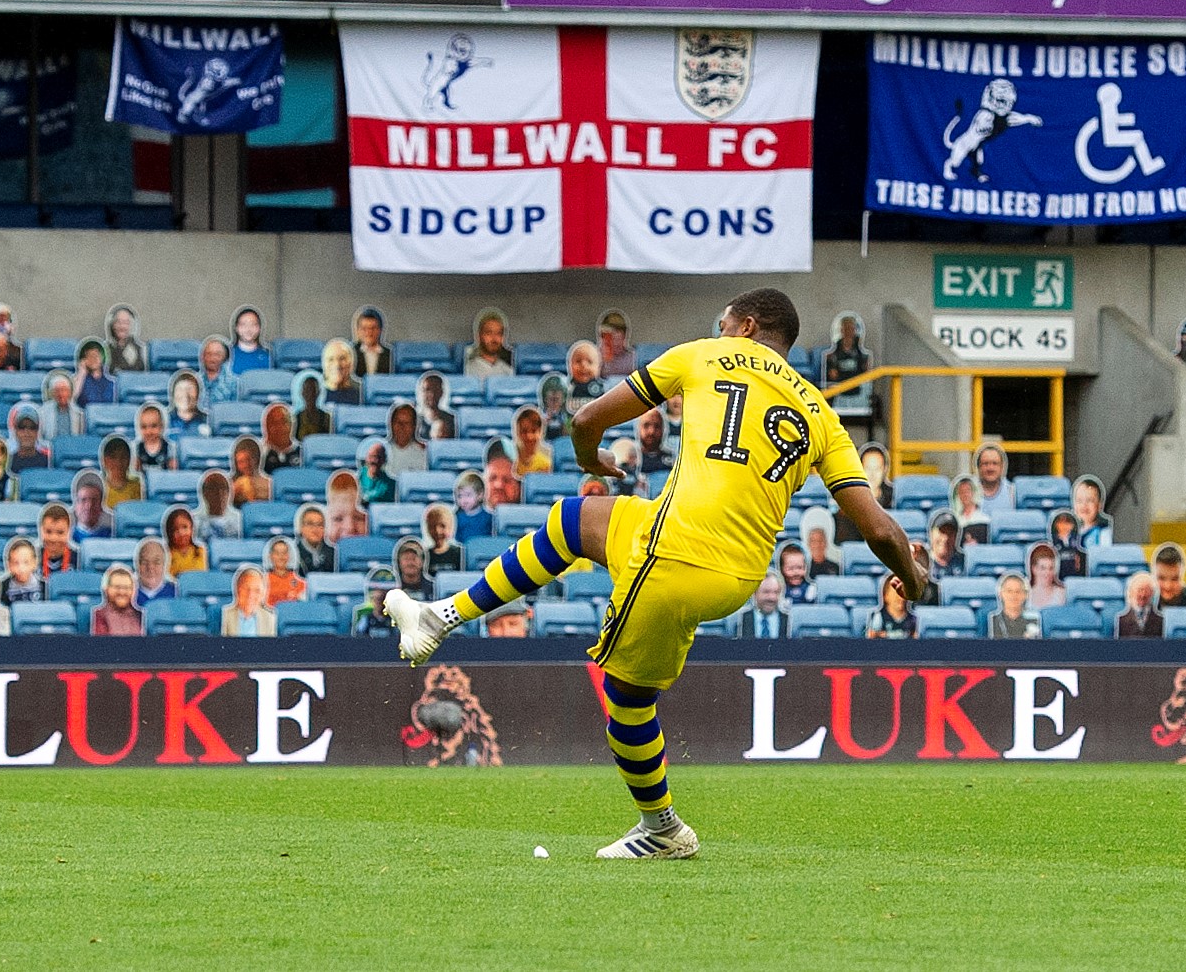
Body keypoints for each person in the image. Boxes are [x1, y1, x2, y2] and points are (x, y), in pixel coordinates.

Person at [386, 286, 924, 862]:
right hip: (739, 574)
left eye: (723, 323)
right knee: (575, 520)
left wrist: (591, 457)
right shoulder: (821, 412)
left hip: (675, 553)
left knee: (625, 696)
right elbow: (880, 531)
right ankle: (438, 615)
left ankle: (661, 827)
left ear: (744, 326)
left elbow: (588, 417)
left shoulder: (703, 355)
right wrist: (913, 580)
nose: (718, 330)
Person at [730, 572, 790, 639]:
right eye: (766, 592)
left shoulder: (788, 621)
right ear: (755, 593)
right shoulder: (741, 619)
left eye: (776, 592)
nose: (771, 597)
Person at [221, 564, 275, 637]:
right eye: (246, 589)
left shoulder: (269, 618)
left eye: (257, 591)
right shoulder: (225, 615)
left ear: (263, 594)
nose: (250, 595)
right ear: (237, 589)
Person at [91, 564, 145, 635]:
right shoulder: (98, 616)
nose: (121, 592)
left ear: (133, 590)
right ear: (106, 589)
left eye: (126, 587)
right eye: (116, 587)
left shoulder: (141, 616)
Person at [350, 565, 401, 636]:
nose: (379, 603)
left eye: (382, 600)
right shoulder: (365, 618)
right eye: (377, 600)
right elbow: (358, 639)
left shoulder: (395, 620)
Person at [863, 574, 917, 639]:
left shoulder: (913, 620)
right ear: (885, 596)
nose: (900, 598)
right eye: (895, 594)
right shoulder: (878, 617)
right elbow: (870, 640)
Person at [986, 573, 1039, 639]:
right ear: (1000, 594)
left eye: (1018, 591)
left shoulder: (1034, 621)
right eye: (1009, 591)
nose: (1013, 596)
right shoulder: (991, 620)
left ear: (1025, 595)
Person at [463, 308, 513, 378]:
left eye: (499, 333)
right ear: (479, 336)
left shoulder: (509, 372)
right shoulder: (467, 370)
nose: (494, 338)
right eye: (489, 333)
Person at [381, 402, 426, 477]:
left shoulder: (424, 453)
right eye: (398, 422)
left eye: (407, 423)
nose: (402, 427)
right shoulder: (379, 451)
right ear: (391, 424)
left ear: (414, 426)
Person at [1116, 572, 1165, 638]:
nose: (1143, 595)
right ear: (1131, 592)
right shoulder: (1122, 620)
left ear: (1152, 593)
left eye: (1146, 590)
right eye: (1140, 590)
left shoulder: (1160, 620)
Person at [162, 504, 208, 575]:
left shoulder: (200, 551)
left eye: (185, 527)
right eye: (175, 529)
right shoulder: (166, 553)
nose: (181, 533)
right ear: (169, 533)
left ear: (192, 528)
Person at [132, 537, 177, 608]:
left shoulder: (177, 593)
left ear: (165, 564)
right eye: (144, 562)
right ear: (137, 565)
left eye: (157, 562)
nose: (150, 567)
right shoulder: (127, 592)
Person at [132, 403, 176, 474]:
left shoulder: (169, 447)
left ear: (162, 426)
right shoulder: (137, 448)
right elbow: (135, 471)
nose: (149, 431)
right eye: (144, 427)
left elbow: (173, 471)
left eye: (154, 426)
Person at [41, 370, 86, 438]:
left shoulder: (79, 413)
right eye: (57, 391)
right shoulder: (43, 412)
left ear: (70, 392)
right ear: (52, 393)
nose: (61, 394)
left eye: (64, 390)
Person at [973, 442, 1015, 514]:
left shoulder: (1012, 492)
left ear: (1002, 467)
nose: (990, 468)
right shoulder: (969, 489)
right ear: (979, 467)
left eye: (995, 463)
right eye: (985, 464)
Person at [99, 436, 142, 506]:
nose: (118, 462)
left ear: (129, 460)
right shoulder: (99, 488)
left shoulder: (137, 486)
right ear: (104, 460)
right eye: (113, 457)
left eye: (123, 457)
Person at [228, 307, 272, 374]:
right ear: (236, 328)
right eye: (243, 324)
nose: (248, 329)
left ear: (259, 328)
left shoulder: (269, 357)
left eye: (253, 324)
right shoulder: (226, 355)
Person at [293, 502, 333, 575]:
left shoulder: (333, 553)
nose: (315, 529)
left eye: (320, 524)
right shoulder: (292, 552)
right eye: (310, 524)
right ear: (301, 527)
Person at [0, 536, 44, 604]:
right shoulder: (2, 587)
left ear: (35, 563)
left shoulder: (44, 587)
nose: (21, 568)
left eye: (26, 562)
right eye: (15, 563)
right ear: (9, 565)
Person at [452, 470, 494, 540]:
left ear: (480, 495)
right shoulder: (456, 517)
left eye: (468, 495)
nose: (463, 500)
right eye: (460, 496)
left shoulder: (489, 518)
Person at [195, 336, 238, 404]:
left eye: (217, 355)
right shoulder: (194, 380)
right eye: (208, 354)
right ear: (202, 357)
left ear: (225, 357)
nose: (212, 359)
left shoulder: (234, 383)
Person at [9, 406, 53, 472]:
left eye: (32, 427)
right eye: (22, 427)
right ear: (16, 431)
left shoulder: (48, 462)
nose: (27, 432)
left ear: (37, 431)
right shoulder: (8, 462)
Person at [264, 536, 307, 603]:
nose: (281, 557)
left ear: (289, 555)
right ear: (270, 556)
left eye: (284, 553)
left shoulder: (301, 583)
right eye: (277, 553)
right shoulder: (263, 582)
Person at [69, 473, 111, 543]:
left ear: (101, 507)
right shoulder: (68, 536)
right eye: (83, 500)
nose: (89, 506)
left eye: (94, 500)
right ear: (76, 506)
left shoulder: (111, 535)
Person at [350, 306, 391, 378]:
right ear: (358, 330)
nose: (369, 332)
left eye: (373, 328)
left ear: (380, 330)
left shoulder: (390, 354)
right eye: (364, 328)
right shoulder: (350, 352)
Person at [511, 406, 553, 475]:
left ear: (541, 432)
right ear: (517, 432)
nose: (529, 436)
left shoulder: (545, 464)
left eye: (533, 431)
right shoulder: (511, 459)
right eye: (524, 431)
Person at [422, 503, 463, 572]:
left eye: (442, 526)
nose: (437, 531)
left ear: (451, 527)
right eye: (432, 526)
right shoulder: (424, 554)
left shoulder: (459, 553)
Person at [595, 309, 636, 378]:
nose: (614, 344)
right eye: (609, 338)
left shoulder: (633, 358)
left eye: (617, 339)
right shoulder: (594, 357)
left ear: (625, 336)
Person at [166, 370, 208, 438]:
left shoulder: (208, 421)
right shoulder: (164, 421)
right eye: (180, 389)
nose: (185, 394)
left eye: (190, 389)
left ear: (198, 394)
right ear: (173, 394)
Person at [106, 304, 147, 373]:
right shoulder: (106, 349)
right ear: (113, 325)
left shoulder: (140, 349)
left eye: (126, 323)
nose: (122, 327)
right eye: (118, 322)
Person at [320, 339, 362, 406]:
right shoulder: (312, 395)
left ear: (351, 363)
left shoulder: (361, 397)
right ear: (323, 364)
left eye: (342, 358)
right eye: (331, 359)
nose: (337, 365)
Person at [260, 403, 300, 472]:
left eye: (285, 422)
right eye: (274, 423)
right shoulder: (259, 451)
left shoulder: (301, 451)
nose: (281, 428)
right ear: (266, 426)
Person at [416, 372, 456, 441]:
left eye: (436, 390)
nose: (432, 395)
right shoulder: (414, 420)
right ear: (421, 392)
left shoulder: (452, 420)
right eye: (427, 390)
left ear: (442, 392)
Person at [1026, 542, 1066, 611]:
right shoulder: (1024, 594)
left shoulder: (1061, 594)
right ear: (1033, 569)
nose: (1047, 573)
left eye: (1051, 568)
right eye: (1043, 568)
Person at [231, 436, 271, 504]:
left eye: (248, 460)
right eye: (241, 462)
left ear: (257, 459)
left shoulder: (269, 483)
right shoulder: (231, 484)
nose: (246, 465)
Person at [800, 506, 839, 577]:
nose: (817, 545)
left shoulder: (835, 567)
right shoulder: (803, 569)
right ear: (808, 544)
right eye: (813, 541)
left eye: (820, 541)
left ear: (826, 543)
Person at [1072, 475, 1111, 545]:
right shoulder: (1071, 533)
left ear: (1099, 505)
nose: (1084, 505)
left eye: (1090, 500)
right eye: (1079, 501)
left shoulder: (1104, 533)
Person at [74, 338, 115, 405]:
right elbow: (72, 397)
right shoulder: (80, 380)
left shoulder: (111, 384)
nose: (93, 359)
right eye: (89, 356)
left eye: (96, 356)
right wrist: (81, 373)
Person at [292, 372, 331, 440]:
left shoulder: (326, 418)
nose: (310, 395)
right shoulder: (296, 419)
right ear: (302, 393)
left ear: (318, 392)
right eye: (307, 391)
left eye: (313, 391)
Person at [950, 477, 989, 544]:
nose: (965, 495)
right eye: (961, 492)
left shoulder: (984, 518)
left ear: (973, 493)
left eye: (967, 491)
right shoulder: (956, 520)